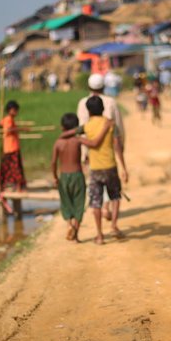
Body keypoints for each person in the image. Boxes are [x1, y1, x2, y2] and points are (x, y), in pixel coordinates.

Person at [52, 113, 111, 242]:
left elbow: (53, 162)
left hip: (64, 177)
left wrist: (55, 177)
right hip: (77, 175)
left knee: (66, 203)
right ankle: (76, 233)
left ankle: (69, 224)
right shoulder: (78, 140)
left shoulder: (58, 142)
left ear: (62, 127)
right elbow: (93, 144)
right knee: (79, 204)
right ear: (76, 126)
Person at [77, 73, 126, 221]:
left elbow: (81, 127)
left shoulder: (83, 103)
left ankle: (102, 208)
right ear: (103, 86)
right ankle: (106, 207)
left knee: (96, 179)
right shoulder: (110, 102)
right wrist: (121, 146)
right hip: (108, 148)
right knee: (109, 179)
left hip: (89, 149)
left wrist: (82, 152)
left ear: (88, 87)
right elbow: (118, 126)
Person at [80, 96, 128, 244]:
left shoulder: (86, 126)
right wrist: (124, 167)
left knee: (96, 202)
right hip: (110, 166)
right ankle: (114, 226)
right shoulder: (110, 124)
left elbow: (75, 134)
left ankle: (100, 235)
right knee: (115, 197)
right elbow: (117, 146)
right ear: (102, 109)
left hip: (95, 169)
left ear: (88, 111)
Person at [0, 101, 28, 195]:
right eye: (14, 110)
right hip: (10, 147)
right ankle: (15, 186)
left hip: (12, 147)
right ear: (10, 110)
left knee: (12, 168)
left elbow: (1, 124)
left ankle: (16, 186)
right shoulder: (8, 119)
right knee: (13, 168)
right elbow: (9, 129)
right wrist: (22, 129)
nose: (16, 112)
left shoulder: (8, 119)